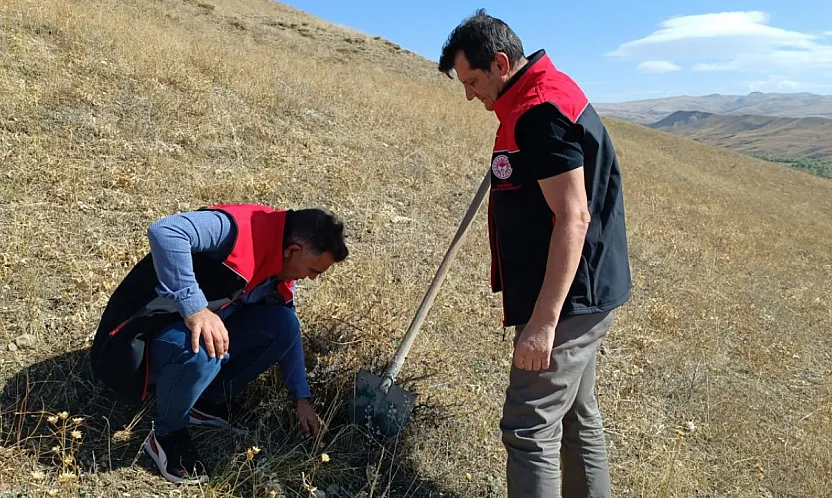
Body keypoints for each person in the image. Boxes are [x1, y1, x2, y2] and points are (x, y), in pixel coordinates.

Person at [438, 10, 632, 498]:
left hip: (569, 300)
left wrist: (544, 323)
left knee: (529, 426)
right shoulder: (540, 92)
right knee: (576, 415)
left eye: (473, 80)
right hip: (587, 289)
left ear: (502, 63)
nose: (469, 94)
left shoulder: (539, 112)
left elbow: (574, 218)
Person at [90, 203, 349, 485]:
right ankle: (167, 434)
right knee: (204, 344)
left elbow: (286, 330)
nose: (311, 278)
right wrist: (195, 309)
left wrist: (301, 398)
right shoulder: (237, 229)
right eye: (313, 270)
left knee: (283, 325)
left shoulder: (281, 266)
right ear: (293, 250)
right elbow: (165, 231)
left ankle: (206, 402)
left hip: (187, 335)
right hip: (140, 336)